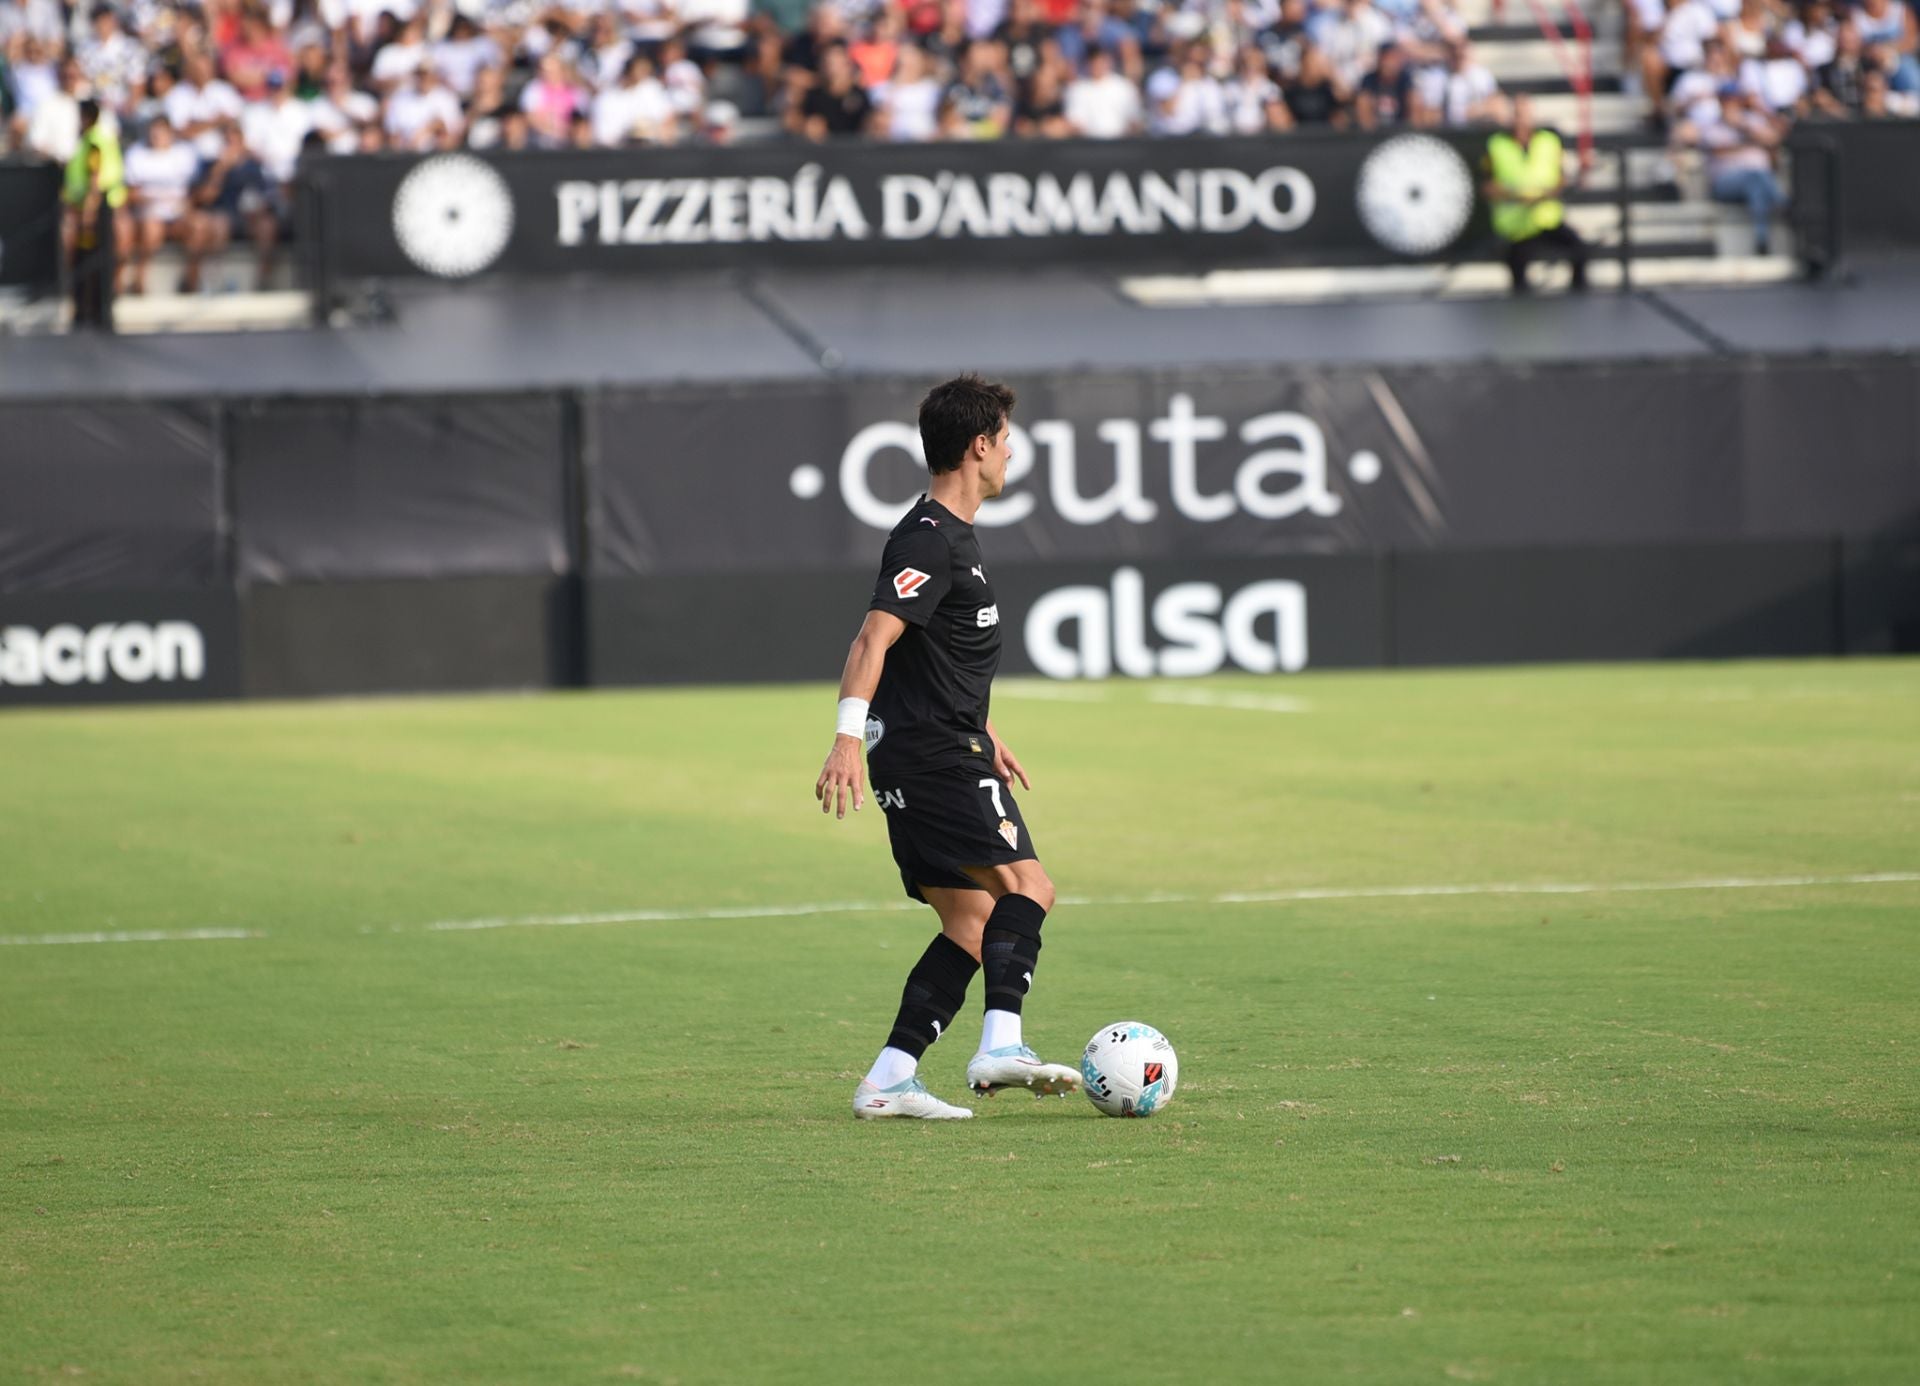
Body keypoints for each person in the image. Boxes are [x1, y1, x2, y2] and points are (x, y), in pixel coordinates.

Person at [816, 374, 1079, 1122]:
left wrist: (987, 732)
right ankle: (1002, 1043)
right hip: (932, 757)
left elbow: (931, 656)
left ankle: (887, 1081)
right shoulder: (928, 539)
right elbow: (874, 637)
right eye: (1006, 439)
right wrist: (843, 742)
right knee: (1030, 890)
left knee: (968, 924)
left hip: (939, 747)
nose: (1011, 452)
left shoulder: (951, 538)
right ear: (979, 446)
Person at [1484, 93, 1588, 293]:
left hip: (1546, 219)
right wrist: (1515, 197)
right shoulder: (1497, 145)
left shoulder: (1548, 141)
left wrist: (1546, 194)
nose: (1521, 120)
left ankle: (1578, 296)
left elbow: (1561, 177)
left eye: (1525, 114)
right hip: (1516, 225)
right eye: (1517, 114)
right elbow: (1488, 186)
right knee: (1518, 267)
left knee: (1579, 250)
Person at [63, 97, 126, 329]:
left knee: (89, 260)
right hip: (100, 209)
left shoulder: (93, 142)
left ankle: (92, 310)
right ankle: (93, 310)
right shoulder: (98, 138)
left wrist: (88, 212)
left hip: (96, 212)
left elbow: (94, 176)